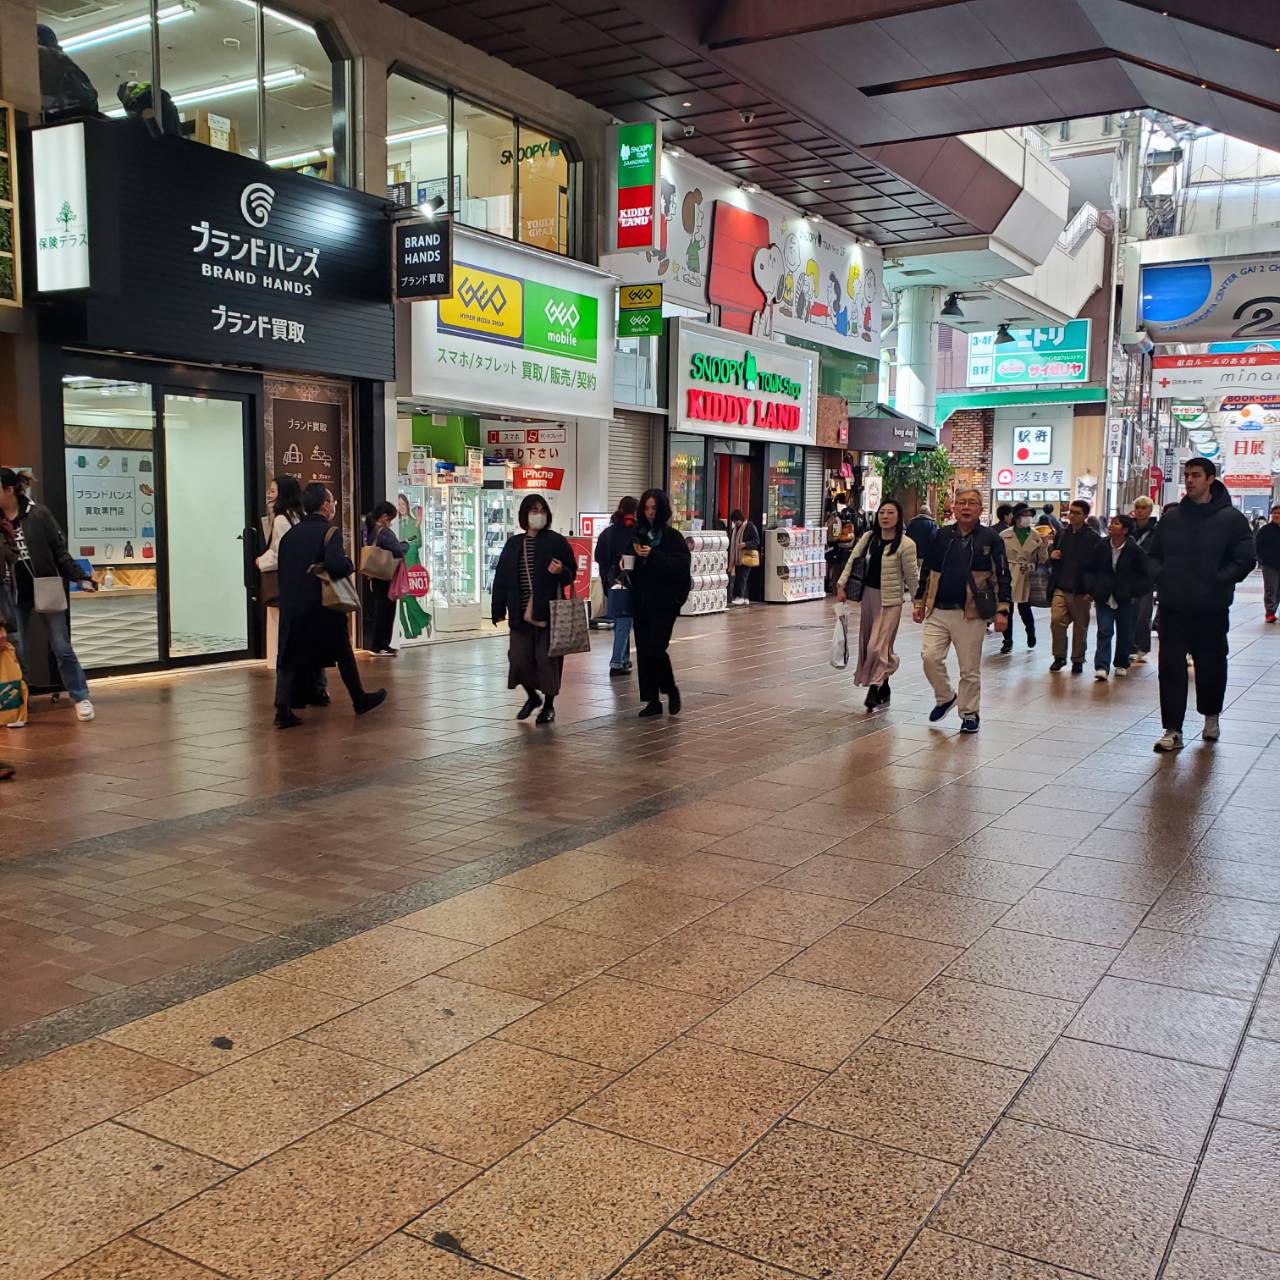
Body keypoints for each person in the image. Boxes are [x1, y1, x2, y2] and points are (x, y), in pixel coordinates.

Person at [1145, 458, 1256, 752]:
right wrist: (1162, 577)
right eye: (1186, 475)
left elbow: (1245, 559)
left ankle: (1211, 716)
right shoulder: (1171, 518)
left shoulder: (1231, 519)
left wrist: (1218, 579)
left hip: (1211, 607)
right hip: (1173, 605)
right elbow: (1153, 555)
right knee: (1170, 667)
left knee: (1211, 664)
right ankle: (1172, 729)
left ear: (1210, 479)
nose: (1190, 480)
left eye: (1195, 475)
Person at [274, 484, 385, 729]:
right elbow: (336, 566)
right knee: (343, 653)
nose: (334, 505)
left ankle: (282, 709)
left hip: (293, 607)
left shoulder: (290, 535)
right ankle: (359, 699)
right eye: (332, 501)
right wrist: (348, 563)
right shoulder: (330, 533)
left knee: (288, 657)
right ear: (325, 505)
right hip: (322, 606)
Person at [0, 467, 97, 722]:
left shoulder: (38, 514)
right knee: (16, 649)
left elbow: (59, 551)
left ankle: (80, 696)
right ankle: (19, 703)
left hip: (46, 587)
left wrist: (80, 575)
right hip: (13, 593)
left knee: (61, 646)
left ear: (9, 489)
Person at [913, 488, 1011, 734]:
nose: (966, 507)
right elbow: (928, 569)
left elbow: (1002, 576)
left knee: (969, 669)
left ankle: (969, 713)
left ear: (980, 509)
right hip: (938, 610)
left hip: (971, 613)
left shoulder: (991, 539)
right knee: (930, 657)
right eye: (961, 503)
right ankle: (945, 697)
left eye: (972, 503)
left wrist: (1003, 610)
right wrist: (919, 601)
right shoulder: (943, 535)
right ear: (954, 508)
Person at [491, 494, 577, 724]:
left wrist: (561, 572)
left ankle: (549, 705)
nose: (538, 514)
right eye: (533, 510)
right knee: (518, 659)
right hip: (520, 614)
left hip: (547, 613)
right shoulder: (513, 544)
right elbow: (501, 578)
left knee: (546, 660)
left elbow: (571, 573)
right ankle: (532, 697)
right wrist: (497, 608)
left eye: (542, 510)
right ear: (524, 514)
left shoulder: (556, 542)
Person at [838, 498, 918, 710]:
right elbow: (852, 560)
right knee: (868, 644)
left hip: (891, 601)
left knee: (877, 646)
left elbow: (912, 576)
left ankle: (874, 687)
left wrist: (919, 601)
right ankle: (884, 683)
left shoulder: (906, 544)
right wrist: (841, 584)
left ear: (899, 517)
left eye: (890, 513)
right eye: (882, 512)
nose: (885, 517)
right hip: (869, 597)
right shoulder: (868, 538)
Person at [629, 488, 692, 718]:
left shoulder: (672, 537)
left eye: (654, 508)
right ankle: (652, 700)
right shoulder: (638, 534)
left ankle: (670, 689)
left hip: (664, 604)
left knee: (656, 648)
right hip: (641, 602)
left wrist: (653, 555)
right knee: (644, 652)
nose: (650, 513)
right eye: (646, 508)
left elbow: (680, 567)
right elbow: (628, 562)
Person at [1085, 514, 1150, 682]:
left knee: (1125, 632)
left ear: (1125, 530)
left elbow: (1145, 575)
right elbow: (1089, 569)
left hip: (1126, 598)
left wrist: (1134, 592)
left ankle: (1121, 663)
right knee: (1104, 631)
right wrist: (1092, 588)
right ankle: (1101, 666)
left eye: (1116, 524)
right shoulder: (1101, 547)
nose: (1111, 526)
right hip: (1104, 596)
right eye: (1111, 523)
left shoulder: (1134, 550)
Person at [1048, 499, 1102, 674]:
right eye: (1070, 512)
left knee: (1080, 627)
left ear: (1085, 515)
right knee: (1057, 621)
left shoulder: (1093, 538)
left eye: (1077, 513)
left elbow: (1096, 566)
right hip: (1061, 586)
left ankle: (1077, 659)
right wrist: (1053, 555)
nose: (1072, 515)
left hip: (1081, 590)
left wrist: (1091, 589)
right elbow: (1053, 555)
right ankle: (1059, 656)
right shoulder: (1062, 534)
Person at [595, 496, 638, 676]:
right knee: (624, 621)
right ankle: (616, 661)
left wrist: (607, 577)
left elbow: (598, 556)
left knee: (623, 619)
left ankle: (625, 660)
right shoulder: (637, 531)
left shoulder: (608, 533)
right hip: (631, 582)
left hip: (612, 582)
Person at [999, 502, 1048, 653]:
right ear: (1016, 517)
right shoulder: (1004, 535)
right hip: (1009, 573)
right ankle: (1007, 640)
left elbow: (1042, 559)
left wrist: (1044, 546)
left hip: (1027, 574)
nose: (1027, 518)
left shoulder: (1036, 536)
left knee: (1025, 608)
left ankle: (1031, 633)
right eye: (1024, 515)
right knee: (1007, 608)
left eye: (1029, 515)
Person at [364, 502, 409, 657]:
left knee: (381, 610)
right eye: (390, 518)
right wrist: (405, 545)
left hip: (375, 576)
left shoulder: (372, 530)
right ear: (384, 517)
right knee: (387, 611)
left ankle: (379, 644)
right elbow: (397, 551)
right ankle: (381, 645)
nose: (390, 522)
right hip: (385, 576)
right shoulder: (385, 533)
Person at [37, 24, 98, 122]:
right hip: (81, 115)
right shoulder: (65, 60)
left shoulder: (41, 53)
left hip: (59, 114)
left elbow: (48, 92)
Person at [1129, 496, 1160, 661]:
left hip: (1146, 578)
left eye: (1143, 508)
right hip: (1128, 577)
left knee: (1143, 614)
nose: (1140, 511)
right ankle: (1130, 646)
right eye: (1138, 507)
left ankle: (1142, 646)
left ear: (1149, 510)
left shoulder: (1157, 530)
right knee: (1128, 614)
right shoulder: (1128, 528)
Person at [728, 508, 761, 605]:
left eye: (736, 521)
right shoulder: (735, 530)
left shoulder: (749, 526)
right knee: (741, 577)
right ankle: (745, 597)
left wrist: (745, 544)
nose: (735, 523)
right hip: (738, 557)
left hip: (747, 557)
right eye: (734, 521)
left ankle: (740, 596)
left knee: (741, 577)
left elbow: (756, 541)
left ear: (740, 519)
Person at [1255, 503, 1280, 624]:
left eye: (1279, 513)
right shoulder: (1265, 530)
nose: (1276, 515)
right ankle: (1270, 613)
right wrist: (1262, 560)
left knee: (1278, 591)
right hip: (1270, 565)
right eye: (1274, 513)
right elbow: (1258, 545)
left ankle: (1274, 610)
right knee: (1271, 589)